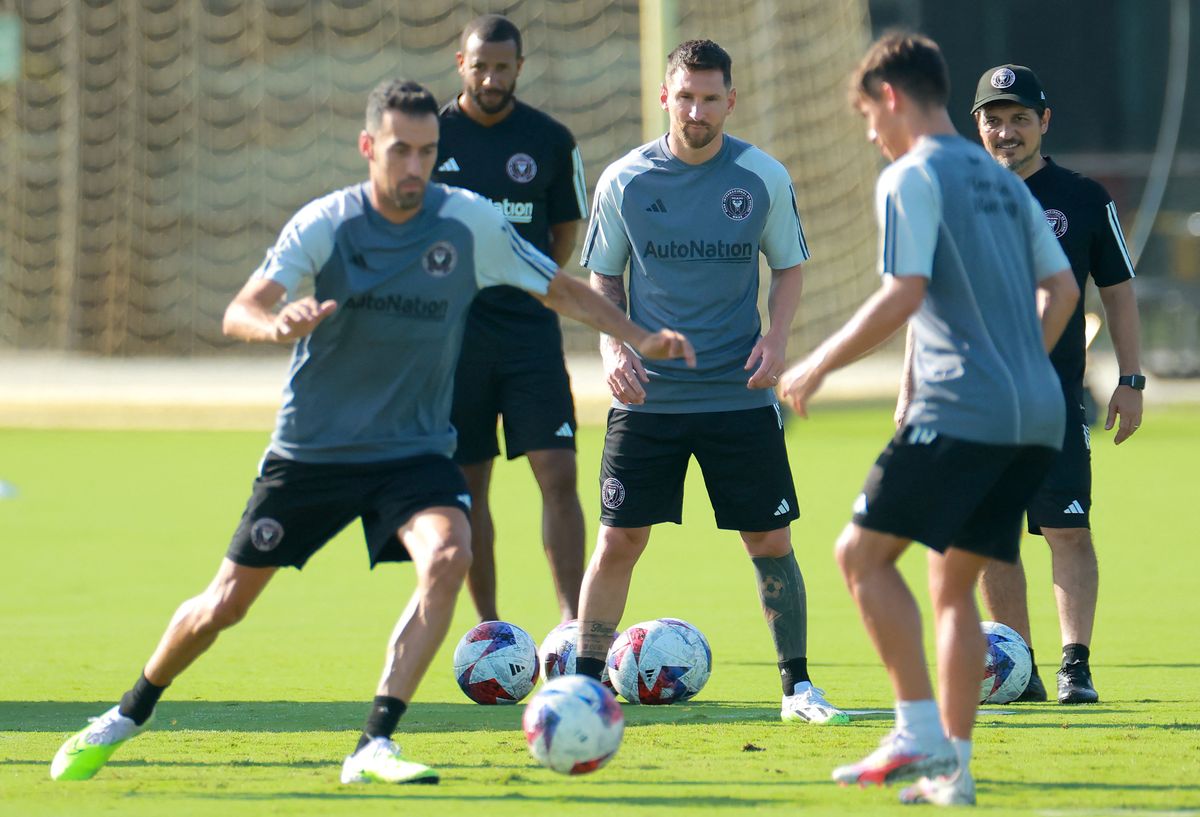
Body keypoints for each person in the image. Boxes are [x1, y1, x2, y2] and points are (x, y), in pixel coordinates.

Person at [49, 79, 693, 786]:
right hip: (312, 451)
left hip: (412, 450)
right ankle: (126, 712)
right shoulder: (327, 224)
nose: (414, 166)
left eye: (426, 151)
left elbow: (557, 286)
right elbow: (240, 308)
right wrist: (274, 323)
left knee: (449, 553)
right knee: (223, 605)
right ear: (367, 148)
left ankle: (374, 742)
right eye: (399, 150)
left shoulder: (467, 221)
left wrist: (640, 336)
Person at [779, 33, 1079, 805]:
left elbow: (901, 294)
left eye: (867, 118)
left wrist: (816, 362)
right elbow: (1064, 294)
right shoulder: (1007, 180)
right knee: (951, 587)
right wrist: (1016, 361)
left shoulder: (910, 174)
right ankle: (955, 771)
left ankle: (915, 730)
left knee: (860, 557)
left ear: (890, 98)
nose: (870, 136)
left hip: (963, 409)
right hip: (1036, 414)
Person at [572, 39, 846, 726]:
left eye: (710, 97)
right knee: (618, 540)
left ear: (731, 100)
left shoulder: (761, 177)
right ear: (666, 97)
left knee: (770, 542)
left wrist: (777, 340)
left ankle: (797, 688)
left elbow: (788, 266)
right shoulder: (625, 180)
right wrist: (613, 344)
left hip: (738, 394)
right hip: (648, 397)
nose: (696, 110)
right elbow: (602, 273)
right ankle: (581, 683)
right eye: (685, 96)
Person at [968, 63, 1143, 704]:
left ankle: (1075, 665)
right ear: (977, 124)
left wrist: (1130, 378)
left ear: (1044, 122)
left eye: (1020, 119)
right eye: (995, 118)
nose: (1006, 131)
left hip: (1053, 400)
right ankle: (1018, 667)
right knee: (992, 538)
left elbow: (1119, 294)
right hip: (975, 402)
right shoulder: (955, 194)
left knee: (1068, 531)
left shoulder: (1084, 197)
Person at [432, 15, 589, 624]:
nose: (491, 77)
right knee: (470, 483)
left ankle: (574, 625)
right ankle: (489, 630)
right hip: (454, 340)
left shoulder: (550, 139)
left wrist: (533, 279)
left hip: (528, 335)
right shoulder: (432, 136)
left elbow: (565, 227)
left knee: (558, 468)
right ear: (461, 63)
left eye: (503, 66)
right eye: (480, 65)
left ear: (520, 67)